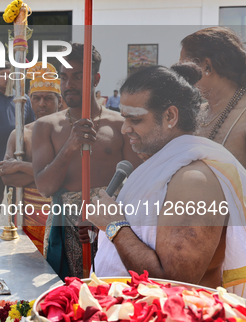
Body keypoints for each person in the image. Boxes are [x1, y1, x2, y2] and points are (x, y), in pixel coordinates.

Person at [90, 63, 246, 294]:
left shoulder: (194, 181)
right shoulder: (164, 167)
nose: (124, 129)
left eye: (135, 119)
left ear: (170, 116)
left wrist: (114, 226)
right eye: (124, 118)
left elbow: (173, 282)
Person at [32, 43, 141, 279]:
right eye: (64, 77)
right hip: (64, 230)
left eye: (78, 76)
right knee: (64, 302)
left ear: (96, 78)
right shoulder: (45, 127)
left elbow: (138, 184)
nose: (68, 84)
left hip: (110, 227)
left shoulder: (120, 124)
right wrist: (70, 145)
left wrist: (101, 218)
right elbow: (45, 188)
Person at [0, 63, 62, 253]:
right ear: (30, 100)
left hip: (59, 212)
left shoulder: (68, 133)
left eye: (48, 98)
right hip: (27, 211)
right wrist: (48, 174)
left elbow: (64, 177)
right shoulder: (20, 135)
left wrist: (20, 165)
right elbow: (7, 177)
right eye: (37, 98)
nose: (42, 103)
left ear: (59, 100)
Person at [179, 27, 246, 168]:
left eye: (184, 67)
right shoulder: (195, 113)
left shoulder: (243, 115)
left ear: (207, 67)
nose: (181, 76)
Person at [0, 61, 36, 228]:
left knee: (17, 202)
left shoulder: (23, 99)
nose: (7, 78)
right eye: (3, 74)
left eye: (10, 74)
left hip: (17, 161)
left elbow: (31, 127)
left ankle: (17, 234)